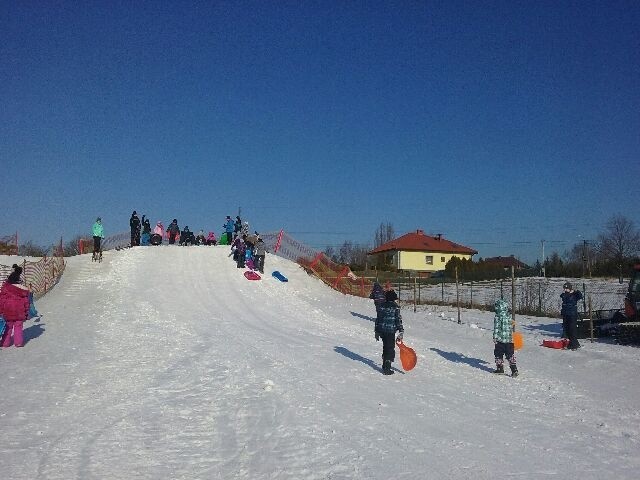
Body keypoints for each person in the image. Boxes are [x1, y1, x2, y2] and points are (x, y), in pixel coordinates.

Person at [0, 264, 31, 348]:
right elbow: (26, 303)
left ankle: (5, 343)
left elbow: (1, 302)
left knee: (8, 328)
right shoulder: (23, 291)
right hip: (20, 313)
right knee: (18, 328)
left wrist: (1, 311)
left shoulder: (5, 290)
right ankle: (18, 342)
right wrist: (27, 312)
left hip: (8, 312)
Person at [374, 290, 404, 375]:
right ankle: (387, 367)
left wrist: (376, 331)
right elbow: (398, 319)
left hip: (382, 330)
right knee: (390, 348)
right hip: (390, 331)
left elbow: (378, 319)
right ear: (394, 299)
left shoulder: (381, 306)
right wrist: (401, 330)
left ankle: (384, 364)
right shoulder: (395, 307)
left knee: (385, 346)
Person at [492, 298, 518, 376]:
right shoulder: (508, 316)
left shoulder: (497, 317)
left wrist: (495, 337)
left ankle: (500, 368)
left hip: (500, 341)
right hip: (509, 341)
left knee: (498, 354)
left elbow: (496, 328)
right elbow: (513, 324)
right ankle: (514, 369)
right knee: (510, 355)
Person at [561, 282, 583, 350]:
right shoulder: (564, 295)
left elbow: (580, 296)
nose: (565, 290)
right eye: (564, 288)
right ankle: (574, 344)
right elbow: (561, 296)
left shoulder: (574, 295)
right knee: (567, 330)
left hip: (572, 314)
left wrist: (575, 291)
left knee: (572, 330)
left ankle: (574, 345)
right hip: (565, 314)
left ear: (570, 288)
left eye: (566, 288)